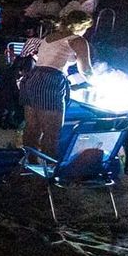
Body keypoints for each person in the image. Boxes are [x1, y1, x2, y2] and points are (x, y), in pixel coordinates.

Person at [20, 11, 94, 156]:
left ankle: (29, 163)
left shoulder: (49, 37)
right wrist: (97, 81)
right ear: (81, 26)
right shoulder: (78, 40)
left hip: (33, 78)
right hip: (51, 82)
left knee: (32, 128)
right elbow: (86, 70)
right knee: (52, 133)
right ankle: (49, 167)